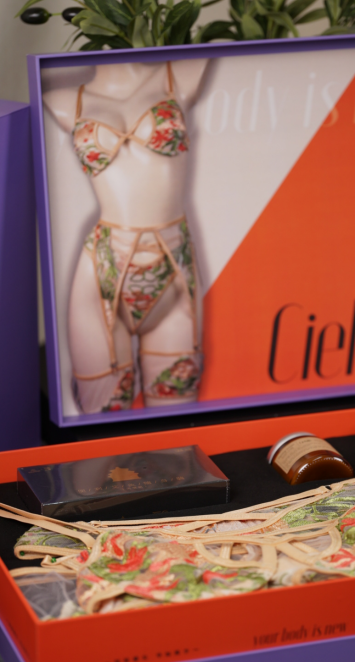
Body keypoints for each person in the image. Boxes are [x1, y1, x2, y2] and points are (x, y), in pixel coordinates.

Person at [43, 59, 208, 413]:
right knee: (103, 427)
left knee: (175, 426)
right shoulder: (63, 100)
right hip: (102, 268)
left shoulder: (181, 75)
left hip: (174, 266)